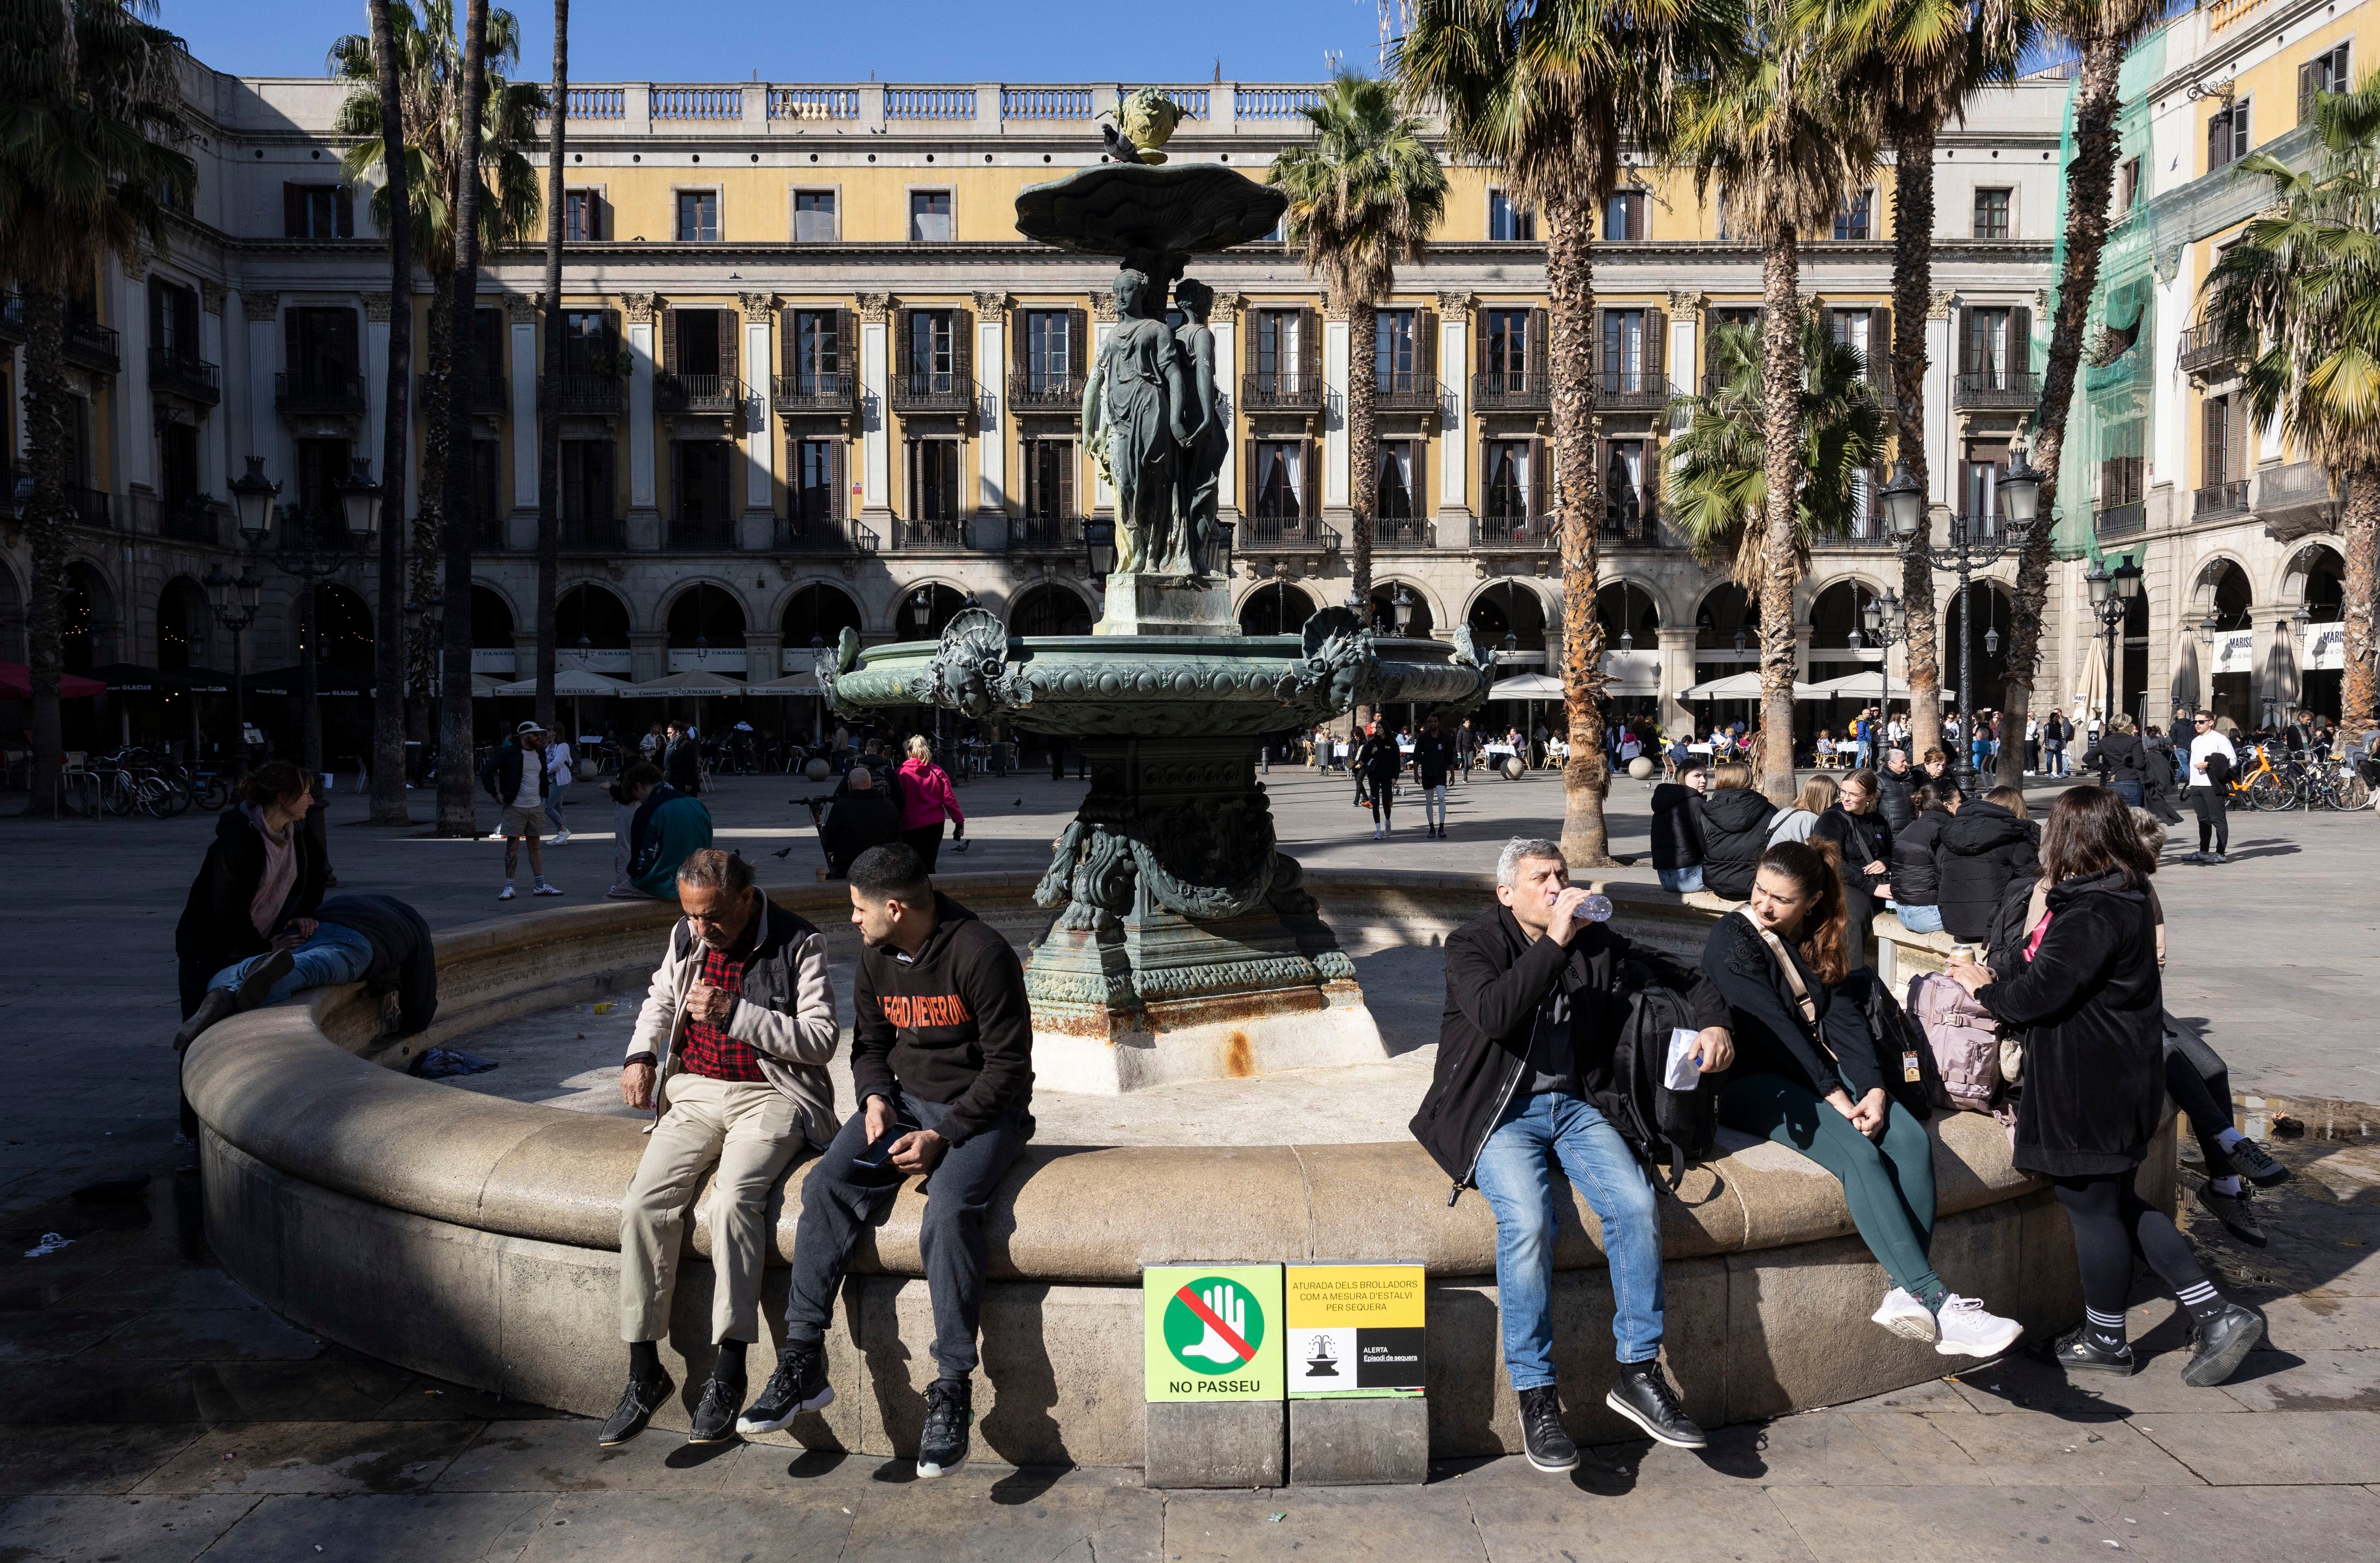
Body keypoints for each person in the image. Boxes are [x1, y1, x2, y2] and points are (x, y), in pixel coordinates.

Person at [1410, 837, 1730, 1472]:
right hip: (1496, 1115)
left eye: (1561, 873)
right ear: (1507, 893)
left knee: (1637, 1204)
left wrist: (1714, 1024)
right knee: (1529, 1221)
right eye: (1540, 878)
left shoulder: (1591, 939)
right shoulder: (1471, 945)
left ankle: (1638, 1371)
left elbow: (1687, 975)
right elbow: (1496, 1015)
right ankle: (1535, 1394)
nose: (1556, 885)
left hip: (1573, 1108)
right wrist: (1555, 941)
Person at [1947, 787, 2264, 1386]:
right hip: (2118, 1076)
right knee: (2114, 1201)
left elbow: (2036, 997)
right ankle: (2211, 1313)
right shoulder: (2123, 893)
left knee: (2092, 1208)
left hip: (2085, 1084)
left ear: (2069, 838)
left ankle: (2108, 1337)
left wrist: (1980, 984)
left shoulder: (2090, 910)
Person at [741, 844, 1034, 1478]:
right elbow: (868, 1045)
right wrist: (873, 1098)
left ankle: (952, 1384)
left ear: (894, 907)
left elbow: (1010, 1070)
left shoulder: (981, 953)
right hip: (901, 1105)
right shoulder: (875, 955)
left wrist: (944, 1135)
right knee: (825, 1183)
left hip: (983, 1113)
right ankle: (802, 1356)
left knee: (950, 1210)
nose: (852, 919)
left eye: (858, 908)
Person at [1706, 840, 2022, 1357]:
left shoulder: (1815, 935)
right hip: (1752, 1084)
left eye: (1780, 899)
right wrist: (1834, 1092)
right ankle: (1937, 1301)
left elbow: (1844, 1020)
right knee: (1859, 1153)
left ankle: (1905, 1293)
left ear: (1808, 902)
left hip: (1815, 1076)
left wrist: (1873, 1087)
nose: (1763, 904)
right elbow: (1773, 1023)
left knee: (1909, 1141)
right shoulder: (1732, 936)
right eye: (1760, 890)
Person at [600, 849, 839, 1447]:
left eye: (711, 917)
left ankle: (729, 1368)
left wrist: (737, 1013)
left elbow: (819, 1040)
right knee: (640, 1205)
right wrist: (640, 1054)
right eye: (691, 917)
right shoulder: (686, 934)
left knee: (734, 1202)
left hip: (770, 1093)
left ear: (743, 897)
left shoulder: (799, 942)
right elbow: (660, 996)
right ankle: (643, 1369)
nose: (700, 929)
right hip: (695, 1091)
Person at [176, 891, 439, 1052]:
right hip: (358, 943)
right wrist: (418, 1022)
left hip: (310, 928)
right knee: (310, 967)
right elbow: (421, 988)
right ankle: (233, 997)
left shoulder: (344, 902)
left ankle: (224, 988)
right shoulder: (413, 924)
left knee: (290, 957)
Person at [174, 761, 330, 1027]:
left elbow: (317, 877)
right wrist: (264, 947)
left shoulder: (299, 837)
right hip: (210, 948)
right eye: (305, 793)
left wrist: (304, 914)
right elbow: (226, 907)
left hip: (255, 945)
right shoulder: (239, 838)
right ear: (282, 797)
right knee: (202, 1029)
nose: (311, 800)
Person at [1812, 769, 1895, 965]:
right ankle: (1852, 973)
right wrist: (1873, 889)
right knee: (1855, 916)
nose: (1846, 798)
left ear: (1870, 797)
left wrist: (1885, 861)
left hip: (1876, 881)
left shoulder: (1878, 820)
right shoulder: (1831, 819)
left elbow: (1891, 851)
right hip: (1842, 882)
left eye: (1853, 795)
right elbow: (1832, 862)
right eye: (1843, 792)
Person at [1935, 783, 2037, 943]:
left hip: (1954, 924)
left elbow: (1939, 877)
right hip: (1997, 926)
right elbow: (2033, 882)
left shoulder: (1950, 834)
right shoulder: (2014, 838)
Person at [482, 720, 561, 902]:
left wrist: (544, 796)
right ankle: (509, 886)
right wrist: (495, 794)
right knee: (513, 846)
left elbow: (541, 776)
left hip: (536, 806)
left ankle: (540, 885)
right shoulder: (510, 752)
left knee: (535, 846)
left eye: (540, 734)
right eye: (536, 735)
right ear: (525, 736)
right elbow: (486, 771)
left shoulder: (540, 752)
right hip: (516, 806)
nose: (540, 738)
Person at [613, 764, 715, 900]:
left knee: (609, 901)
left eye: (637, 797)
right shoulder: (696, 803)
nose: (640, 802)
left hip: (665, 884)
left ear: (639, 786)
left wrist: (633, 874)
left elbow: (641, 862)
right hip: (698, 878)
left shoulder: (648, 810)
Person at [1697, 761, 1777, 900]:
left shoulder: (1706, 811)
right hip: (1755, 883)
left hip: (1716, 881)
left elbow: (1703, 846)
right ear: (1748, 779)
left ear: (1719, 781)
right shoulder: (1770, 810)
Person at [1886, 784, 1953, 935]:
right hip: (1927, 913)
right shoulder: (1941, 831)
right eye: (1959, 802)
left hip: (1903, 910)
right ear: (1947, 806)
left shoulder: (1910, 829)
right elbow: (1948, 877)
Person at [818, 764, 903, 878]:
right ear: (872, 784)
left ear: (849, 785)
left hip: (847, 869)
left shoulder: (841, 807)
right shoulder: (890, 806)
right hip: (881, 868)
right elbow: (897, 843)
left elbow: (827, 843)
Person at [896, 735, 964, 871]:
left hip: (909, 825)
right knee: (929, 863)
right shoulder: (937, 772)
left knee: (911, 865)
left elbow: (897, 800)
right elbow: (949, 799)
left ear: (908, 752)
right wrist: (959, 821)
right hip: (935, 824)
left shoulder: (901, 773)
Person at [2184, 708, 2237, 864]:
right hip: (2196, 784)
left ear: (2211, 723)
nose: (2197, 725)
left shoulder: (2220, 739)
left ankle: (2221, 853)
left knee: (2218, 819)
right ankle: (2204, 851)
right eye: (2196, 722)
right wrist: (2191, 783)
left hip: (2212, 785)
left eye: (2201, 722)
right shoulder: (2196, 741)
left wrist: (2209, 764)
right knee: (2203, 819)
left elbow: (2232, 760)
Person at [1649, 762, 1709, 893]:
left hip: (1665, 879)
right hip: (1690, 878)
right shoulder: (1694, 802)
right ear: (1683, 777)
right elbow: (1706, 841)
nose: (1703, 780)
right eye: (1697, 776)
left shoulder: (1663, 800)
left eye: (1705, 776)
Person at [2084, 713, 2148, 807]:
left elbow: (2087, 758)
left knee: (2116, 816)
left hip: (2113, 781)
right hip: (2131, 780)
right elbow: (2140, 764)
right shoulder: (2134, 741)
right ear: (2127, 725)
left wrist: (2105, 769)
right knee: (2135, 816)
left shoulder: (2105, 741)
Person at [1356, 720, 1403, 838]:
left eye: (1380, 727)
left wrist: (1395, 777)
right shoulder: (1372, 742)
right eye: (1377, 728)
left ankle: (1387, 821)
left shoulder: (1392, 743)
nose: (1378, 730)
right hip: (1374, 775)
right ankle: (1378, 830)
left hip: (1387, 776)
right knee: (1375, 802)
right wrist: (1372, 752)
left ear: (1385, 729)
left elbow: (1396, 762)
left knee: (1386, 802)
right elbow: (1364, 758)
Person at [1413, 713, 1458, 838]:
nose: (1433, 724)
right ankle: (1432, 828)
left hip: (1440, 773)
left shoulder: (1445, 738)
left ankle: (1442, 828)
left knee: (1442, 798)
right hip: (1427, 773)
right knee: (1429, 801)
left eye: (1435, 722)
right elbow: (1416, 756)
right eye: (1431, 722)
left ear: (1439, 723)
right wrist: (1416, 773)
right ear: (1428, 724)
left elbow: (1450, 758)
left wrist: (1453, 775)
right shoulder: (1423, 738)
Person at [1768, 773, 1839, 847]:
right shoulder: (1811, 819)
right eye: (1833, 800)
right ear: (1825, 800)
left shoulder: (1784, 812)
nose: (1833, 804)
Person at [544, 731, 577, 844]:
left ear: (555, 732)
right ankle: (562, 836)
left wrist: (544, 771)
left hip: (560, 781)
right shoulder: (550, 746)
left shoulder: (563, 746)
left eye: (549, 729)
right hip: (552, 781)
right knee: (558, 808)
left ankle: (563, 831)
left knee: (546, 806)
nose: (547, 732)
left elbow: (558, 763)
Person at [1875, 749, 1916, 833]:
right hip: (1890, 830)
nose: (1906, 764)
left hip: (1911, 828)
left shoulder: (1910, 779)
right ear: (1891, 764)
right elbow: (1873, 806)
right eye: (1902, 761)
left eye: (1906, 761)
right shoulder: (1879, 780)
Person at [663, 721, 702, 796]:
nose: (668, 735)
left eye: (670, 733)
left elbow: (691, 765)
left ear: (677, 733)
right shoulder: (672, 745)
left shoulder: (686, 744)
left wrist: (689, 783)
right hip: (674, 780)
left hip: (683, 782)